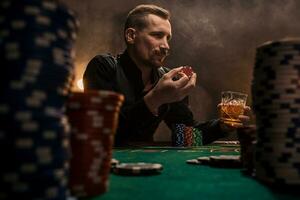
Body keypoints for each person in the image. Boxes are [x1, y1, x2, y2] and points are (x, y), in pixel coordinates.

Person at [83, 4, 250, 146]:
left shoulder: (167, 79)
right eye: (157, 36)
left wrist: (221, 127)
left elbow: (184, 137)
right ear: (131, 36)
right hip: (107, 167)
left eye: (168, 38)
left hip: (146, 166)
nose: (165, 46)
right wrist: (156, 98)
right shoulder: (104, 66)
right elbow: (102, 133)